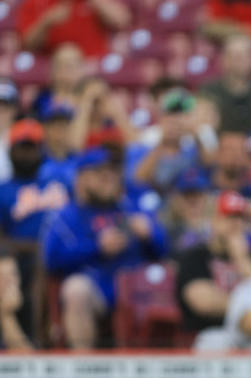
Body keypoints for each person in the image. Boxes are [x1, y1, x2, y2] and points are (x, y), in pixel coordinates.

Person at [42, 148, 168, 349]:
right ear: (81, 179)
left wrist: (149, 235)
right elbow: (51, 259)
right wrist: (97, 247)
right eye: (99, 173)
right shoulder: (66, 216)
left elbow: (164, 250)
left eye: (111, 172)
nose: (108, 178)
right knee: (76, 289)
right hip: (96, 287)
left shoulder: (131, 207)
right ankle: (84, 370)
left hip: (136, 288)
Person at [176, 191, 251, 335]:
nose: (236, 224)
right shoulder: (196, 256)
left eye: (241, 218)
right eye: (229, 217)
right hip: (211, 333)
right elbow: (204, 302)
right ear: (213, 221)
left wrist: (242, 259)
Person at [0, 119, 69, 241]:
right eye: (22, 148)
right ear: (10, 152)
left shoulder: (58, 183)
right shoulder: (3, 191)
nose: (27, 154)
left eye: (32, 148)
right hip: (18, 256)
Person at [17, 0, 131, 58]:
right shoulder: (38, 3)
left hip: (94, 64)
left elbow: (121, 20)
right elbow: (28, 44)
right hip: (56, 68)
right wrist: (46, 22)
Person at [200, 33, 251, 134]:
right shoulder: (209, 92)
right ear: (223, 59)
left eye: (246, 55)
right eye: (235, 55)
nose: (240, 61)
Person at [0, 247, 32, 350]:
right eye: (2, 276)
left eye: (13, 274)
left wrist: (7, 315)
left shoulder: (24, 302)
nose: (10, 282)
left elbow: (27, 357)